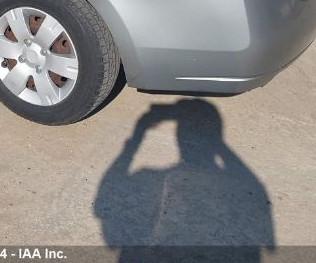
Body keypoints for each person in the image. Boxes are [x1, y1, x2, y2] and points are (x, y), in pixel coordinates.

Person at [95, 99, 274, 262]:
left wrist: (138, 134)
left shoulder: (152, 178)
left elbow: (103, 208)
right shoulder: (243, 188)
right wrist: (219, 144)